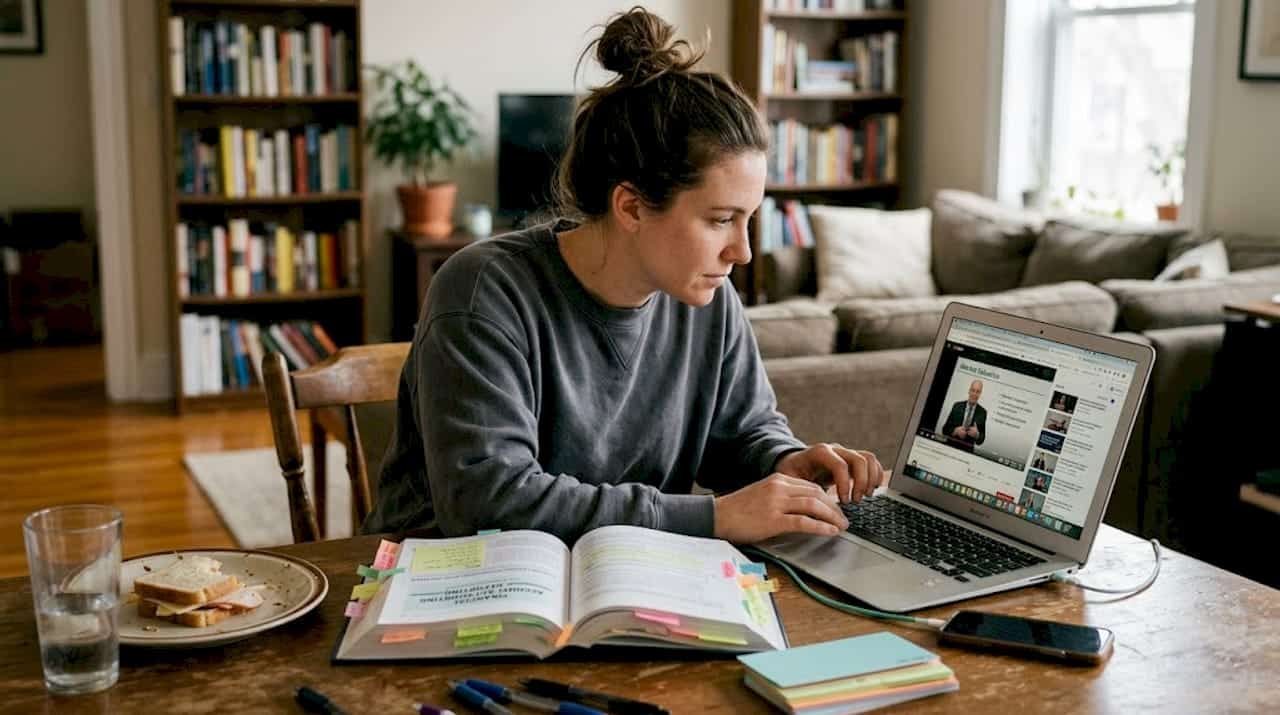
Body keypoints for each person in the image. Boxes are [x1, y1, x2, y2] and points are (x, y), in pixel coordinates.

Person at [362, 7, 885, 546]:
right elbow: (488, 501)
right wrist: (712, 518)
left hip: (625, 573)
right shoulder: (482, 291)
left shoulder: (709, 297)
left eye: (749, 218)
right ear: (631, 207)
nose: (744, 252)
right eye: (721, 219)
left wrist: (784, 461)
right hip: (445, 575)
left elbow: (741, 432)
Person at [941, 380, 987, 446]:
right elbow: (945, 430)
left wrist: (977, 435)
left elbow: (981, 439)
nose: (974, 394)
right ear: (969, 391)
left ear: (980, 394)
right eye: (973, 390)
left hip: (967, 451)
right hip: (951, 445)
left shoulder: (983, 412)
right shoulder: (957, 406)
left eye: (978, 392)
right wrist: (955, 431)